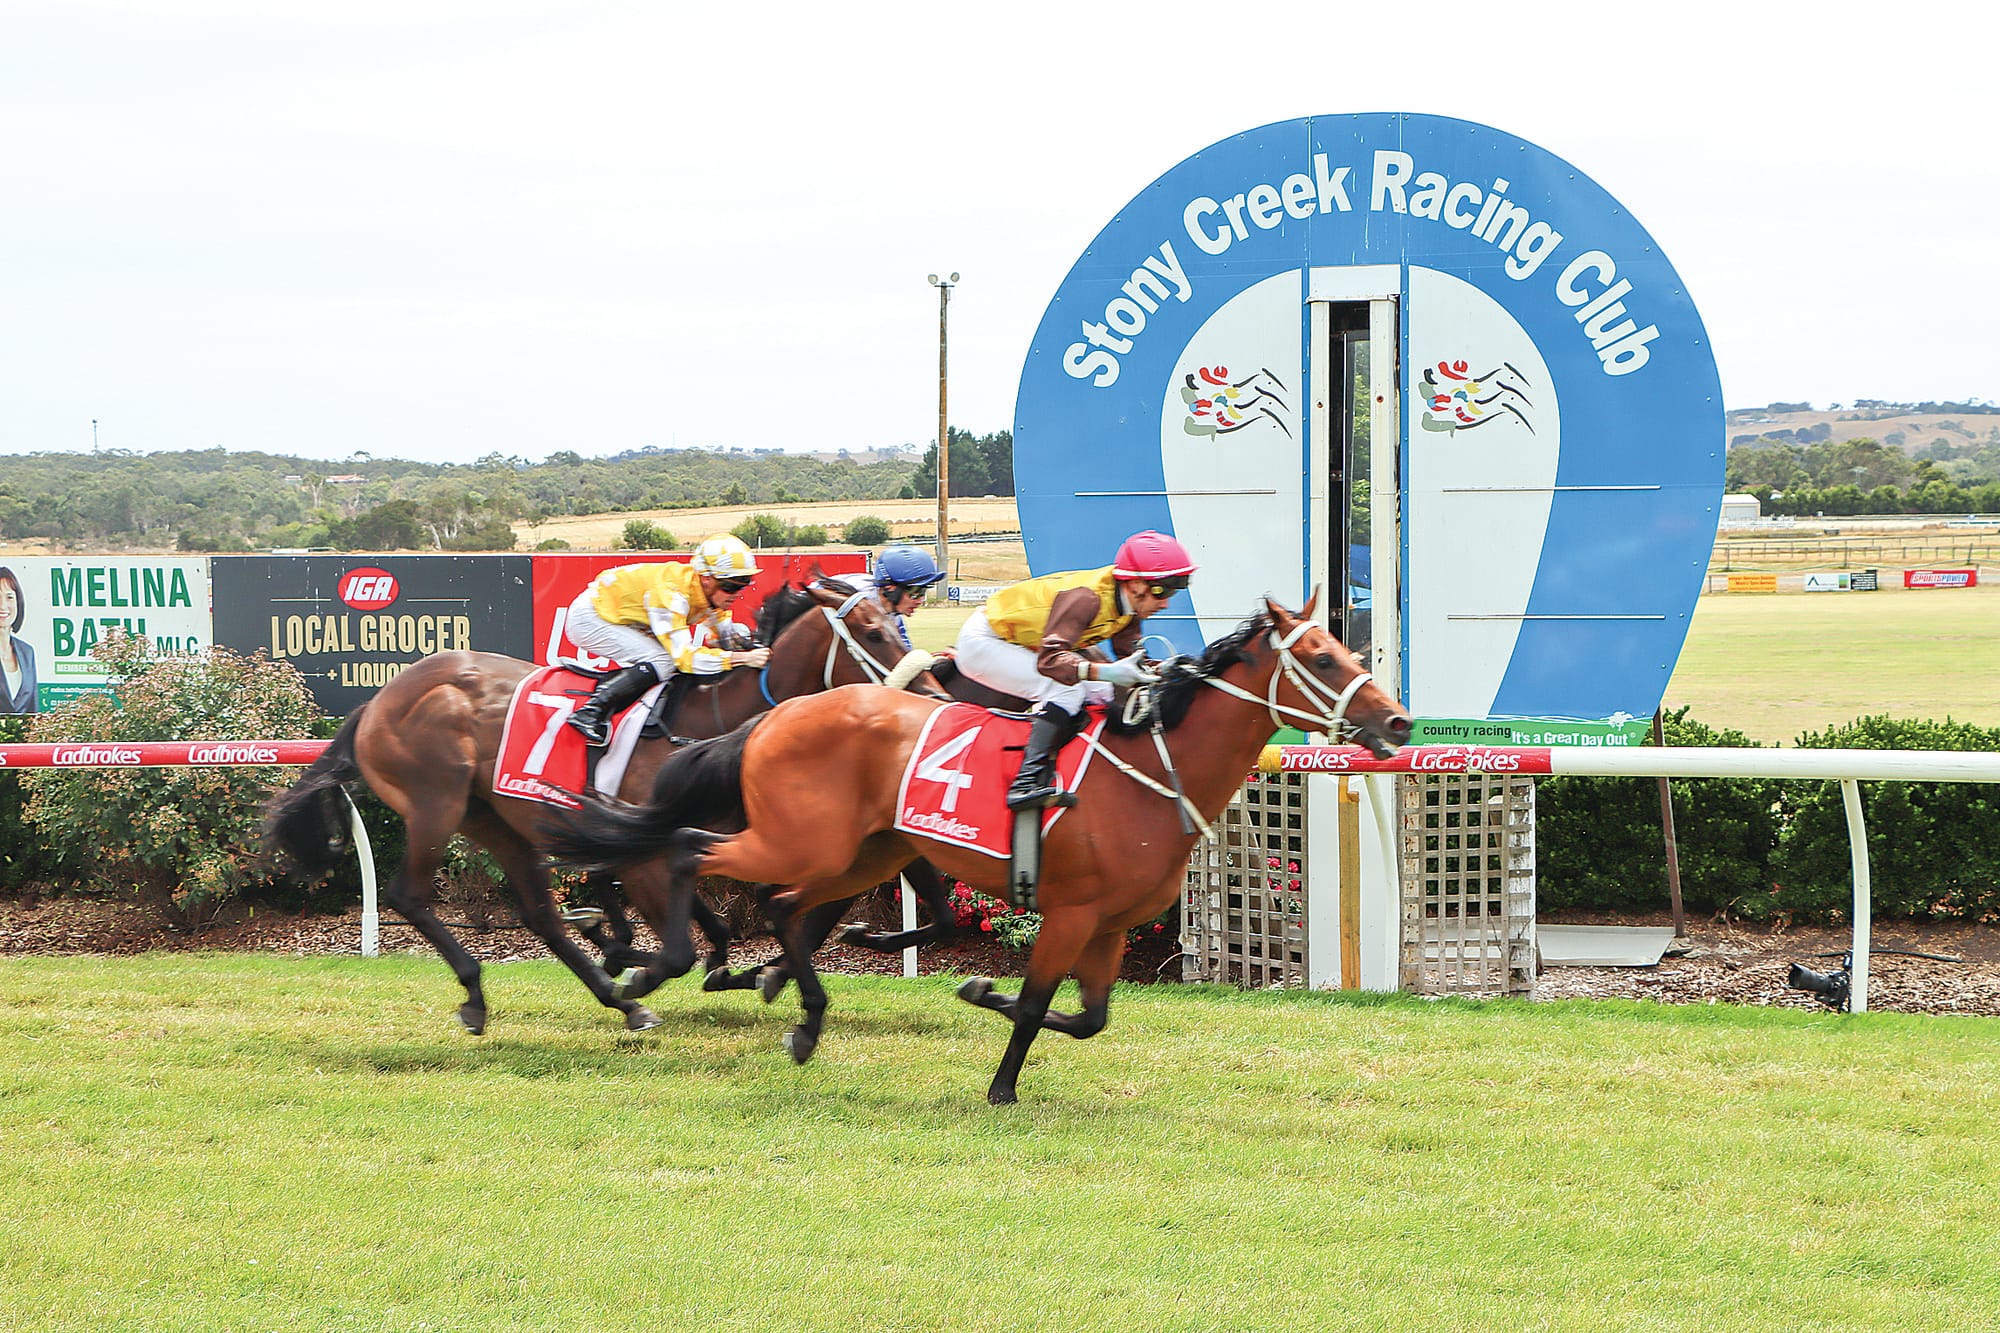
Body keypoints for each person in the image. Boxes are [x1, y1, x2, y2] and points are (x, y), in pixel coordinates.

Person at [953, 530, 1196, 809]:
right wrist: (1105, 672)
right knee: (1064, 690)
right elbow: (1050, 661)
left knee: (1106, 691)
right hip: (985, 640)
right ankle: (1025, 783)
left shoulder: (1130, 604)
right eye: (1160, 591)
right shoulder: (1088, 599)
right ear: (1134, 583)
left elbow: (1129, 658)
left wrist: (1168, 669)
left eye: (1172, 591)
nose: (1165, 603)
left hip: (1026, 643)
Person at [563, 535, 770, 746]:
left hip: (622, 612)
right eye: (730, 586)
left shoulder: (708, 594)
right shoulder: (671, 595)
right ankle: (592, 711)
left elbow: (726, 638)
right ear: (706, 578)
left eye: (744, 584)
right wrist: (743, 658)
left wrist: (749, 649)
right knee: (662, 660)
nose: (736, 594)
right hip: (591, 618)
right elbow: (686, 659)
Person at [856, 544, 948, 649]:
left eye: (924, 591)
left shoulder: (892, 613)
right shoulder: (856, 603)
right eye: (915, 592)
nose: (920, 601)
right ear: (890, 588)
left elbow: (903, 651)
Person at [0, 566, 38, 715]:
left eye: (9, 597)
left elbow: (33, 711)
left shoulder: (27, 652)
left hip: (21, 738)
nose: (3, 606)